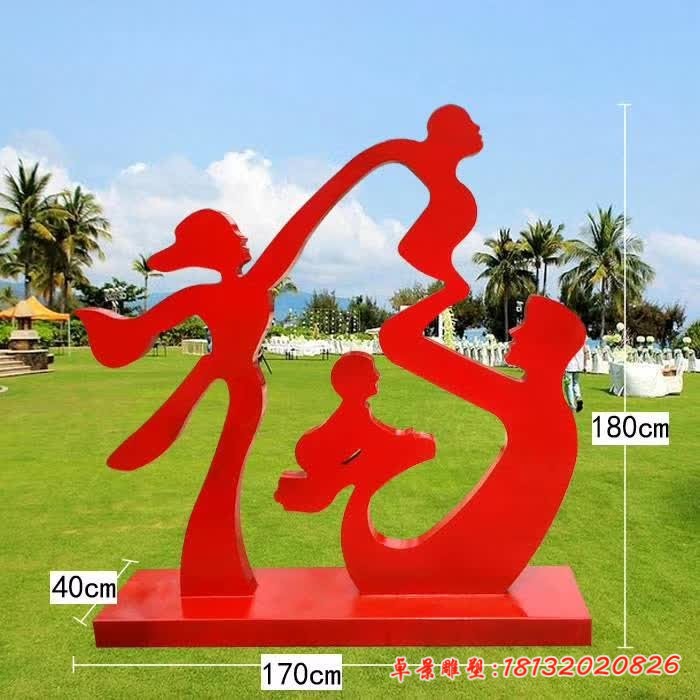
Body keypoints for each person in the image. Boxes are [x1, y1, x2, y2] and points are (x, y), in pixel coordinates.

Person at [565, 343, 586, 412]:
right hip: (578, 366)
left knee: (568, 385)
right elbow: (585, 352)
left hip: (569, 367)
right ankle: (578, 397)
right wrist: (584, 366)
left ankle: (572, 405)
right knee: (576, 383)